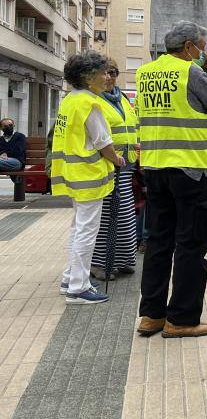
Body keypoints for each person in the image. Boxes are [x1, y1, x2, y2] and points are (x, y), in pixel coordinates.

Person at [136, 21, 207, 339]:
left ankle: (152, 315)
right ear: (189, 46)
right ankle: (183, 318)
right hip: (190, 170)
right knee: (190, 245)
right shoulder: (191, 71)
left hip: (154, 168)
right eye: (202, 46)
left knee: (159, 243)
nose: (204, 52)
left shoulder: (145, 72)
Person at [53, 51, 125, 304]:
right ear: (87, 76)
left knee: (77, 227)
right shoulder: (91, 103)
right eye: (103, 73)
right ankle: (78, 288)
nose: (107, 77)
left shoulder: (70, 100)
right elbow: (103, 141)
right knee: (87, 231)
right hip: (89, 174)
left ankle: (70, 277)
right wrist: (117, 158)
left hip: (71, 173)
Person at [91, 58, 140, 281]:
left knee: (125, 215)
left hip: (125, 164)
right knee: (107, 217)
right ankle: (100, 264)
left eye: (114, 72)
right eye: (106, 72)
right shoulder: (93, 99)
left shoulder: (121, 97)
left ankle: (123, 260)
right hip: (106, 165)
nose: (110, 77)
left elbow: (131, 126)